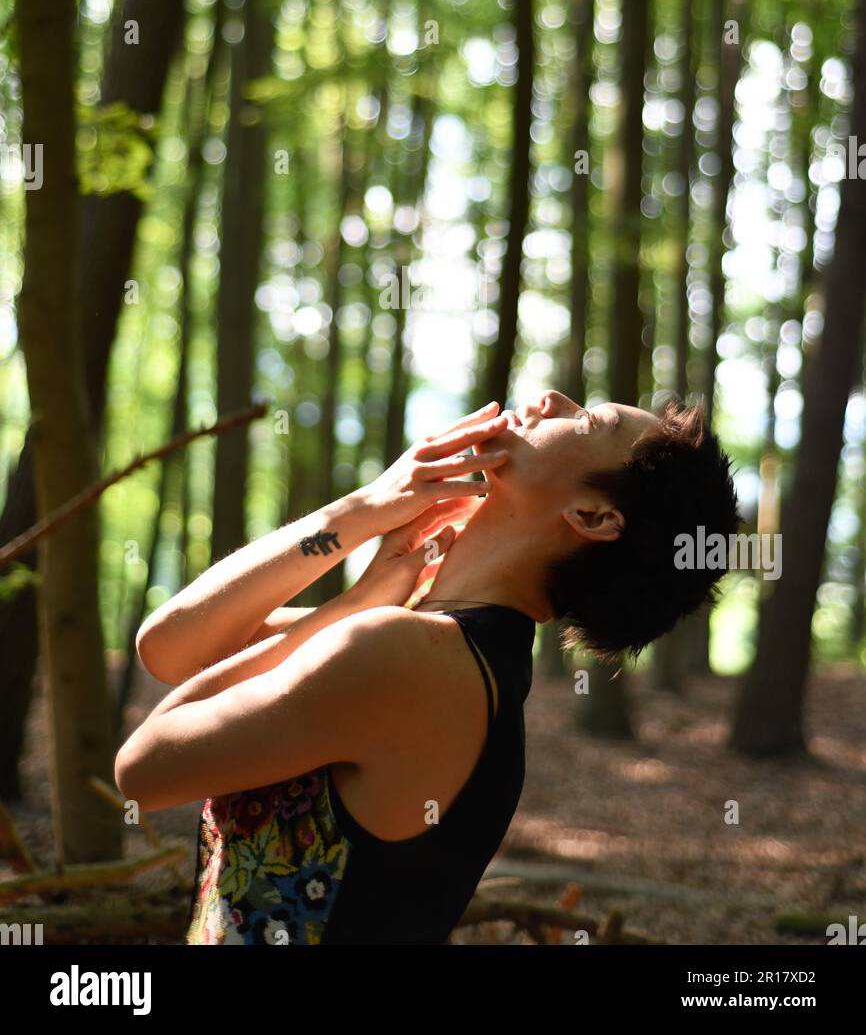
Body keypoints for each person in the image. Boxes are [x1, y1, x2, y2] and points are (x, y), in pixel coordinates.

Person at [115, 391, 739, 945]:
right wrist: (362, 516)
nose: (552, 398)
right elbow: (173, 645)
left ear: (594, 517)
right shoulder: (445, 650)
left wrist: (352, 598)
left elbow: (142, 766)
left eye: (587, 420)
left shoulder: (408, 656)